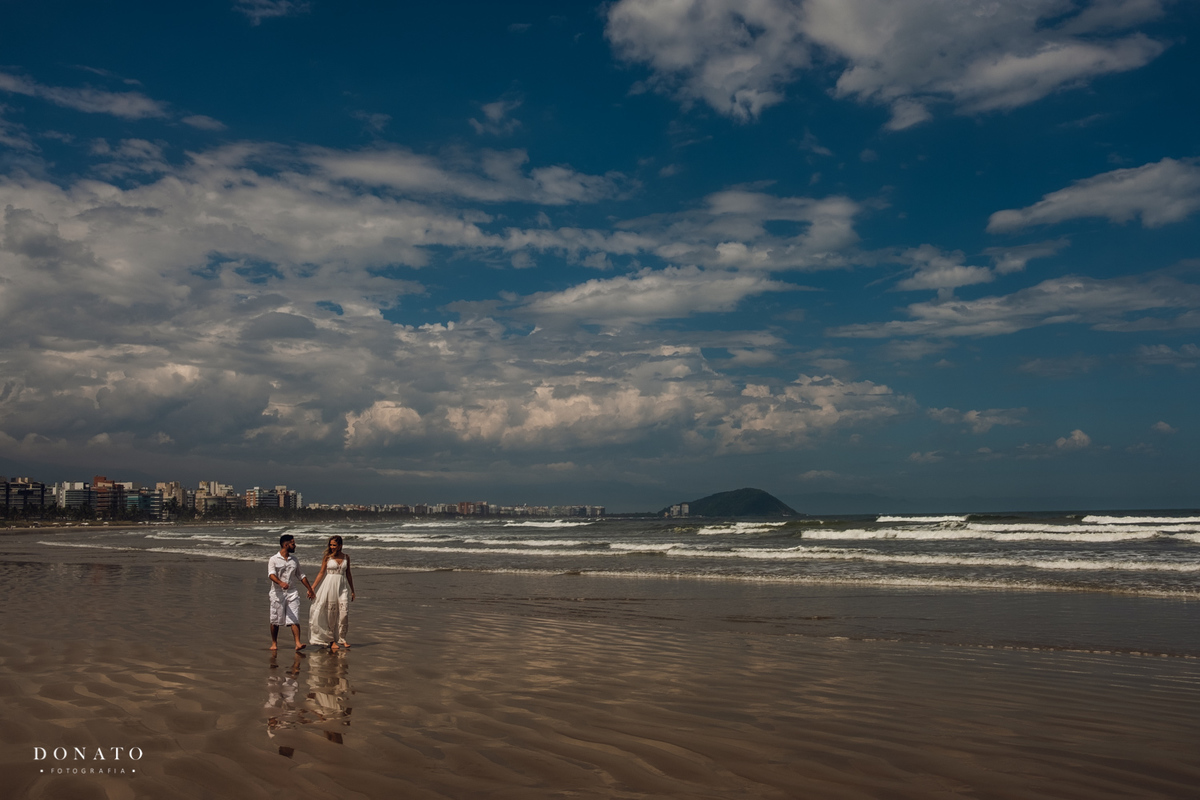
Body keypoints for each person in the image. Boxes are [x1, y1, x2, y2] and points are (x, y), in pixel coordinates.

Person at [268, 534, 315, 651]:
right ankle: (274, 643)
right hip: (277, 593)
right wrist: (280, 583)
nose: (295, 546)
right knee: (275, 620)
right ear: (286, 545)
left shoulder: (294, 560)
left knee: (295, 617)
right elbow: (271, 574)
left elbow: (301, 575)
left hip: (292, 593)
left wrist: (310, 589)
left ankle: (298, 643)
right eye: (293, 543)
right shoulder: (273, 559)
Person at [308, 535, 356, 651]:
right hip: (329, 586)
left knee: (344, 613)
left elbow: (348, 574)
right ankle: (332, 640)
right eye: (330, 545)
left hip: (342, 587)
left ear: (340, 545)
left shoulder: (346, 557)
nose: (332, 547)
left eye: (334, 545)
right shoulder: (327, 557)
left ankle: (342, 638)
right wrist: (312, 588)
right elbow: (321, 573)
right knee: (331, 614)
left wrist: (352, 590)